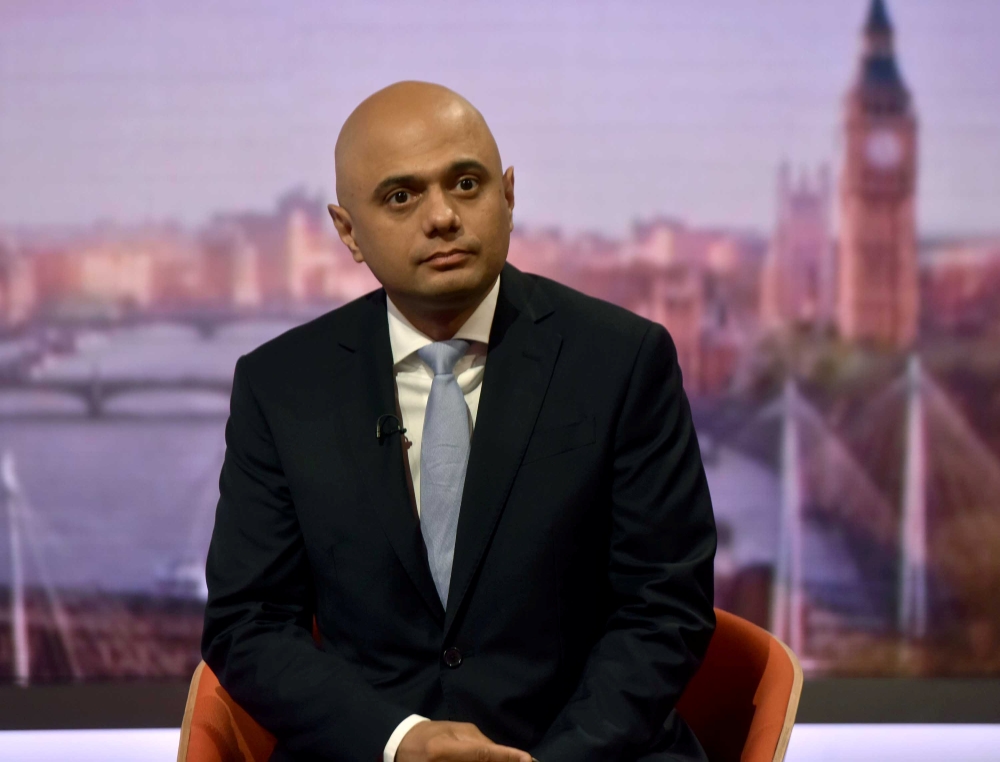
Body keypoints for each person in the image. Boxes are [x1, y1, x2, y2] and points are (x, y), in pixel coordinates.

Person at [202, 81, 716, 762]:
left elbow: (664, 607)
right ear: (348, 232)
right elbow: (250, 623)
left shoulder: (622, 359)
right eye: (401, 196)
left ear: (509, 195)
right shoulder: (281, 386)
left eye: (467, 184)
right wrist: (400, 740)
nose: (442, 217)